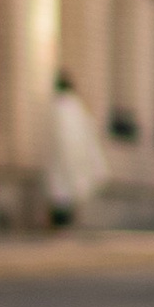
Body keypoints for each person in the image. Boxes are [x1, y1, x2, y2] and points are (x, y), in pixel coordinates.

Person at [43, 72, 109, 229]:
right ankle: (63, 222)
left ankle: (61, 223)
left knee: (60, 191)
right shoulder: (75, 108)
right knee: (66, 192)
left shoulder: (60, 107)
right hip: (72, 159)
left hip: (62, 159)